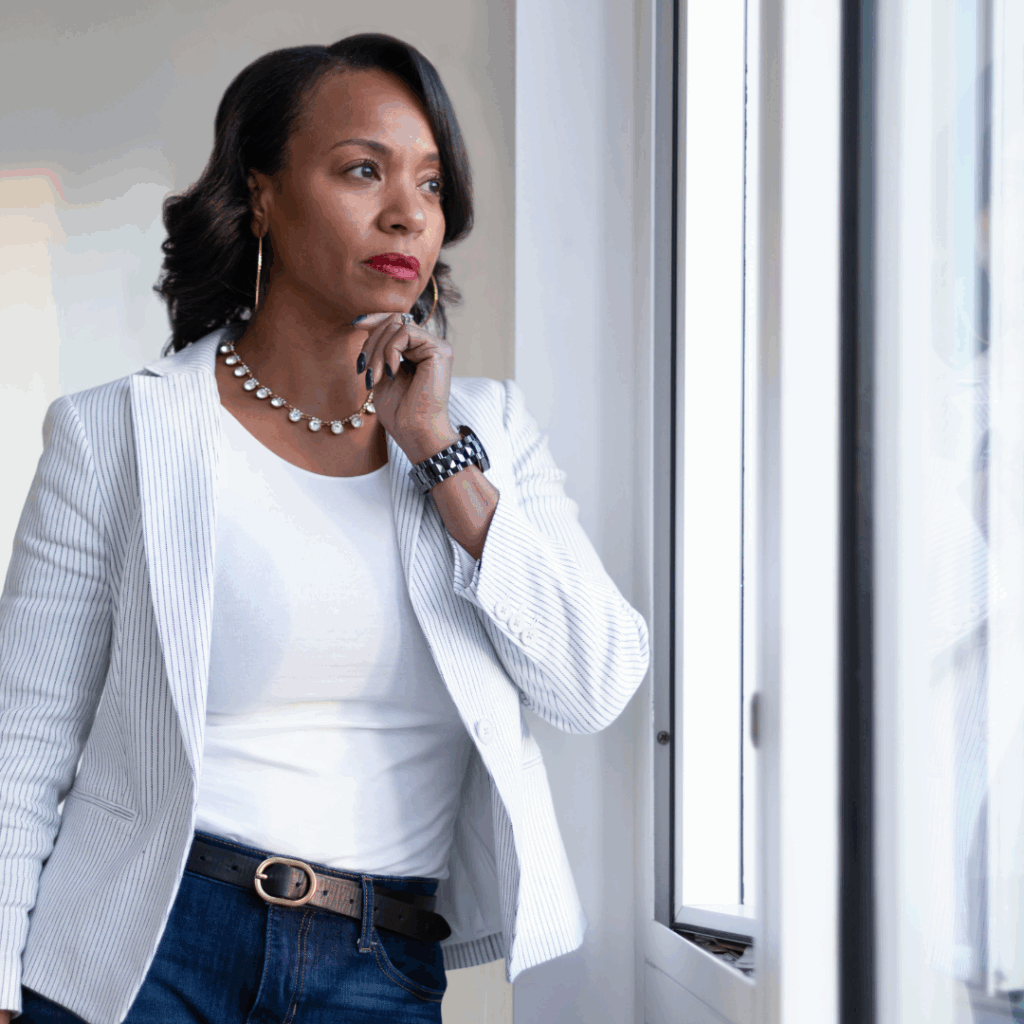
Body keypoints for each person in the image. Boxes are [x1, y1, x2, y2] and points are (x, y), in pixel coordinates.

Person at [0, 33, 649, 1024]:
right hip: (143, 957)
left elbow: (593, 682)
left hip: (377, 961)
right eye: (362, 170)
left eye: (430, 185)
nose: (406, 212)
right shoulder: (117, 436)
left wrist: (438, 453)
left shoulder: (489, 435)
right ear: (259, 194)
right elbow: (24, 742)